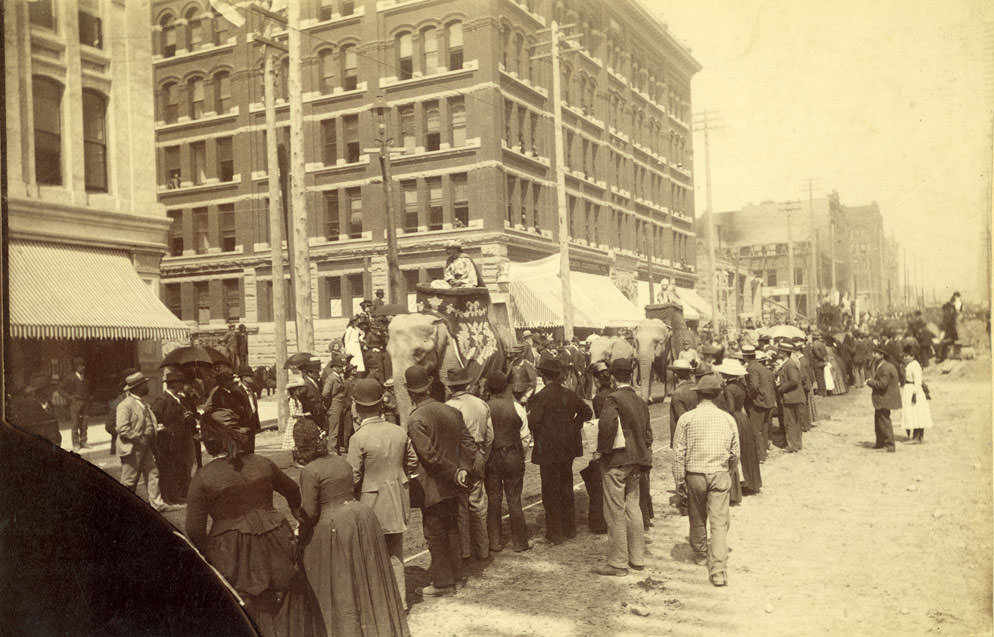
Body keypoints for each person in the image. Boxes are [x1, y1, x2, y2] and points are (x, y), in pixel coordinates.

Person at [187, 410, 323, 637]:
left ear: (209, 442)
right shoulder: (262, 463)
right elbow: (292, 491)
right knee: (287, 597)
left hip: (232, 550)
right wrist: (295, 517)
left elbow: (193, 528)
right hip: (276, 538)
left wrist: (210, 553)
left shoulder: (204, 477)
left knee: (248, 605)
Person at [404, 365, 476, 597]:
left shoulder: (416, 419)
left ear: (409, 391)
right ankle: (457, 575)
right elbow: (468, 444)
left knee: (435, 533)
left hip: (432, 486)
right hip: (454, 484)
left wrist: (454, 471)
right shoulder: (450, 411)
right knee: (453, 529)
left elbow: (430, 457)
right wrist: (463, 470)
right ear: (429, 385)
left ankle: (443, 583)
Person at [671, 374, 739, 587]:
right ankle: (718, 570)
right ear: (718, 394)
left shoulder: (687, 419)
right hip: (719, 473)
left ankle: (700, 554)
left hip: (695, 474)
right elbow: (735, 452)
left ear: (698, 395)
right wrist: (728, 470)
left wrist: (679, 480)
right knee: (719, 523)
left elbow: (678, 452)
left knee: (697, 515)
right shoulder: (728, 419)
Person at [592, 358, 652, 577]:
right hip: (637, 461)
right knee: (633, 508)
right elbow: (648, 434)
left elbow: (607, 426)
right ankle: (637, 558)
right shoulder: (640, 400)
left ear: (614, 377)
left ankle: (618, 563)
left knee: (614, 510)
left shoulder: (613, 398)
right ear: (632, 374)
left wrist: (602, 451)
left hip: (617, 461)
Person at [526, 353, 592, 545]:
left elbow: (533, 422)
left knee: (550, 491)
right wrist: (573, 425)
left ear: (544, 376)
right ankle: (569, 528)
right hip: (567, 448)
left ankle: (555, 532)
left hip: (547, 450)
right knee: (566, 487)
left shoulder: (540, 397)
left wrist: (542, 431)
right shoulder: (569, 394)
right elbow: (586, 412)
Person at [444, 367, 493, 564]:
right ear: (466, 384)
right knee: (479, 504)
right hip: (479, 453)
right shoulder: (481, 404)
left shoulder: (447, 407)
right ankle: (483, 549)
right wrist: (482, 455)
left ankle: (465, 551)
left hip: (458, 458)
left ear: (450, 386)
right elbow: (490, 436)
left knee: (461, 507)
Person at [116, 372, 177, 513]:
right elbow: (122, 428)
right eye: (145, 384)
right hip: (132, 448)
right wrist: (139, 437)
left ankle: (157, 505)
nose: (147, 386)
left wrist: (155, 429)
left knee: (152, 473)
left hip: (146, 447)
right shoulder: (125, 405)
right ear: (138, 387)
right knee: (129, 480)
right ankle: (123, 508)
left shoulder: (142, 402)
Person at [483, 371, 530, 552]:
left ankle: (495, 542)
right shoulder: (517, 407)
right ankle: (520, 542)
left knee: (494, 499)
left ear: (489, 388)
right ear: (505, 386)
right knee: (514, 499)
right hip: (513, 455)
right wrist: (520, 455)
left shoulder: (485, 408)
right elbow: (525, 437)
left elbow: (486, 437)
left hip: (493, 456)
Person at [151, 369, 198, 504]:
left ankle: (178, 494)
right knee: (167, 468)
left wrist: (189, 417)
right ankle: (168, 497)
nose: (183, 385)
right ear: (174, 384)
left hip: (182, 439)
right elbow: (155, 418)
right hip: (168, 441)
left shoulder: (181, 399)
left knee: (180, 467)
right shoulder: (162, 400)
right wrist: (164, 428)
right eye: (181, 383)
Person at [716, 360, 761, 497]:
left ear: (727, 374)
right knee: (747, 451)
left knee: (736, 451)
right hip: (743, 418)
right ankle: (751, 481)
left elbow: (730, 408)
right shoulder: (741, 386)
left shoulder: (729, 389)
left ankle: (740, 483)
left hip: (734, 419)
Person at [580, 361, 613, 534]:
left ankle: (599, 522)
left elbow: (601, 422)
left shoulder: (599, 398)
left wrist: (597, 449)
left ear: (596, 380)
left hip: (604, 441)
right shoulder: (615, 393)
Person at [205, 360, 259, 453]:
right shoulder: (218, 394)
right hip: (230, 427)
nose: (232, 382)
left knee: (247, 451)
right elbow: (215, 410)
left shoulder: (232, 392)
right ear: (223, 382)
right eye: (229, 381)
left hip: (242, 425)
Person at [6, 372, 61, 446]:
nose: (51, 391)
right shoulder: (28, 406)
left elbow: (55, 430)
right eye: (48, 389)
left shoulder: (49, 404)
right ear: (37, 392)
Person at [742, 346, 774, 463]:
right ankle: (764, 452)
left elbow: (754, 386)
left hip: (758, 402)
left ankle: (760, 456)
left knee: (756, 429)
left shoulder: (752, 369)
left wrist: (750, 396)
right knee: (764, 428)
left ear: (745, 357)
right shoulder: (762, 367)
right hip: (768, 401)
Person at [866, 344, 901, 452]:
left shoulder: (886, 367)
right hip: (882, 398)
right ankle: (880, 443)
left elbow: (882, 384)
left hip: (885, 398)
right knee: (878, 420)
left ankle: (890, 445)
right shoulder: (881, 365)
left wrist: (869, 382)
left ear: (882, 355)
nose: (873, 355)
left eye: (876, 353)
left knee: (884, 421)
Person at [773, 342, 804, 453]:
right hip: (793, 396)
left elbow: (794, 381)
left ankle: (792, 445)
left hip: (791, 397)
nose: (778, 352)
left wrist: (781, 388)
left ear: (784, 352)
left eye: (780, 350)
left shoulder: (789, 364)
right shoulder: (788, 363)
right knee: (794, 420)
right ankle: (796, 443)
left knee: (790, 421)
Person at [900, 344, 933, 443]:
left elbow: (918, 381)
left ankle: (918, 436)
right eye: (904, 356)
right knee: (912, 413)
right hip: (908, 389)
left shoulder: (915, 365)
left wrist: (914, 394)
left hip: (914, 391)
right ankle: (915, 436)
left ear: (912, 356)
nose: (905, 358)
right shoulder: (908, 365)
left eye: (907, 356)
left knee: (917, 413)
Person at [61, 357, 91, 450]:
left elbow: (91, 389)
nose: (83, 368)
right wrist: (70, 398)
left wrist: (90, 398)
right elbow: (61, 389)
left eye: (84, 365)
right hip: (75, 403)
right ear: (76, 367)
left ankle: (83, 442)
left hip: (85, 403)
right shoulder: (70, 378)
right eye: (81, 366)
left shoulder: (87, 378)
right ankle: (76, 444)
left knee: (84, 423)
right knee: (75, 423)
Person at [321, 352, 349, 452]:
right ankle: (331, 450)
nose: (342, 368)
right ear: (335, 368)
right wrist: (329, 404)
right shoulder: (331, 378)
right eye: (340, 366)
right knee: (334, 429)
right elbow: (325, 393)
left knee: (338, 428)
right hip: (334, 406)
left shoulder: (338, 377)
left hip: (339, 406)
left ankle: (335, 448)